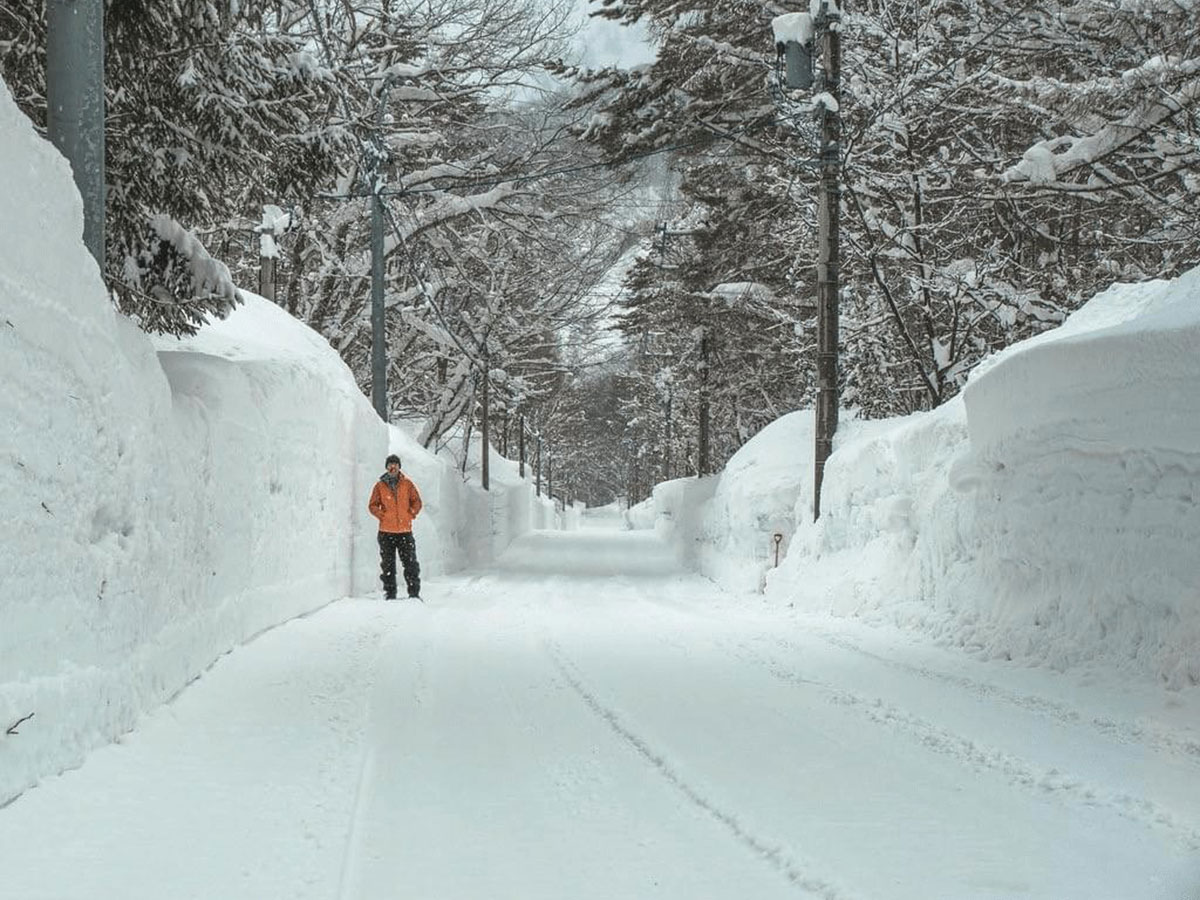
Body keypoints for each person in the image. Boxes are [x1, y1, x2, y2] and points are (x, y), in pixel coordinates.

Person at [368, 454, 423, 600]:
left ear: (399, 467)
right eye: (390, 465)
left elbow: (417, 502)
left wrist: (411, 513)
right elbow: (372, 505)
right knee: (388, 566)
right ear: (386, 467)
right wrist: (383, 516)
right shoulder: (379, 486)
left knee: (410, 564)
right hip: (386, 532)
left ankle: (414, 594)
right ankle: (390, 594)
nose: (392, 467)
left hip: (405, 532)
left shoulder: (407, 484)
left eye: (395, 465)